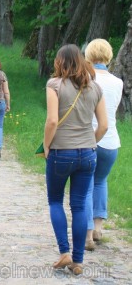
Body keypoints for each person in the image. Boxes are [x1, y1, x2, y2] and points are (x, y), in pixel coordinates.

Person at [43, 44, 108, 275]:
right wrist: (91, 142)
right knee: (80, 205)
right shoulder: (95, 87)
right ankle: (78, 261)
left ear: (60, 62)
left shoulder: (54, 85)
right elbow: (104, 126)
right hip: (88, 153)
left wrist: (47, 146)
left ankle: (64, 251)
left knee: (55, 201)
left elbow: (52, 121)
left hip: (61, 152)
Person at [84, 39, 123, 251]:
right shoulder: (118, 82)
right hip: (110, 141)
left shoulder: (86, 79)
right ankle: (98, 227)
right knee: (100, 181)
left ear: (88, 56)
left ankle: (87, 233)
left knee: (85, 184)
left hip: (88, 138)